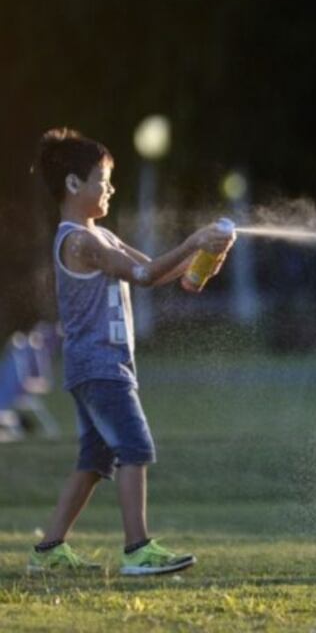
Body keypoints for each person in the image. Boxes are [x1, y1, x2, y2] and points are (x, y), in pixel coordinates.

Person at [27, 127, 236, 575]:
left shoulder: (100, 236)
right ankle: (137, 549)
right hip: (99, 365)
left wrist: (205, 258)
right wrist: (192, 243)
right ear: (72, 184)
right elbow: (141, 276)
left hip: (104, 364)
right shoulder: (78, 241)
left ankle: (47, 551)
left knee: (95, 460)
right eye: (103, 180)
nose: (110, 189)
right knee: (135, 448)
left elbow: (156, 272)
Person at [0, 323, 61, 442]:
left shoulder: (35, 353)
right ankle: (11, 428)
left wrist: (35, 384)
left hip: (16, 390)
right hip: (12, 387)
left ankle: (12, 429)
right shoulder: (23, 351)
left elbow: (44, 383)